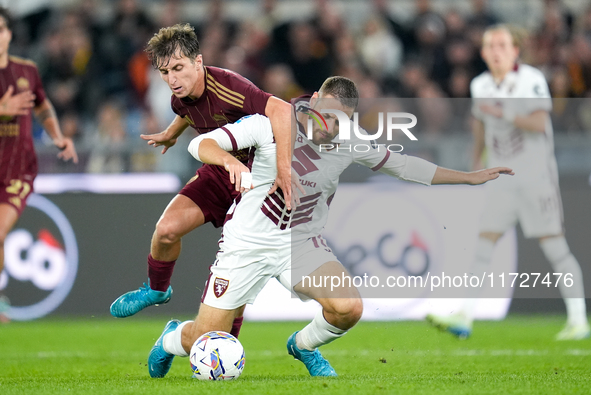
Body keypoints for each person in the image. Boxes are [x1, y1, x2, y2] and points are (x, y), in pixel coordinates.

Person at [146, 76, 513, 378]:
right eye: (328, 116)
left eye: (341, 120)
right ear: (316, 99)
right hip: (247, 243)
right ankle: (170, 339)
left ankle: (302, 346)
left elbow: (404, 167)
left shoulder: (350, 139)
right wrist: (232, 164)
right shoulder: (273, 120)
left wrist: (468, 178)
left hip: (301, 244)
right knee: (204, 340)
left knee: (348, 308)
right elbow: (203, 144)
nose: (331, 126)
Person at [109, 24, 293, 336]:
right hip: (221, 170)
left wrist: (284, 168)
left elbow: (283, 110)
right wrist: (171, 134)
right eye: (165, 72)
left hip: (255, 182)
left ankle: (223, 342)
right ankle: (157, 290)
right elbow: (188, 112)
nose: (172, 79)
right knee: (166, 231)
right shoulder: (178, 98)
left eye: (179, 68)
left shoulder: (229, 86)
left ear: (198, 61)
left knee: (236, 280)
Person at [426, 24, 590, 340]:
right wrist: (476, 161)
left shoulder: (531, 80)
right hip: (501, 179)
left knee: (555, 246)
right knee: (483, 245)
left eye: (502, 45)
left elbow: (540, 123)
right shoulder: (480, 84)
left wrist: (502, 112)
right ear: (484, 52)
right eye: (490, 45)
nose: (496, 51)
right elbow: (480, 124)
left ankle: (578, 319)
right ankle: (465, 316)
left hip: (534, 178)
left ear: (515, 50)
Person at [0, 7, 78, 322]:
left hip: (16, 170)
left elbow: (42, 105)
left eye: (1, 28)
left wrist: (57, 136)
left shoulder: (26, 71)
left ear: (8, 34)